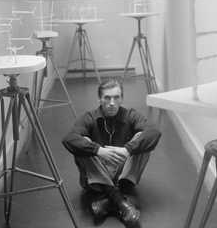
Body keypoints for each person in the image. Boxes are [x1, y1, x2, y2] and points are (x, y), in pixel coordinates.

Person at [62, 78, 161, 227]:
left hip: (122, 174)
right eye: (107, 98)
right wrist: (98, 150)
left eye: (116, 97)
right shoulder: (89, 117)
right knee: (83, 142)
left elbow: (154, 132)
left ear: (122, 98)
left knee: (142, 139)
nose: (112, 103)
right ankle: (122, 202)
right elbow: (69, 138)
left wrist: (127, 149)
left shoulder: (130, 115)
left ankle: (108, 201)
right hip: (96, 177)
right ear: (99, 99)